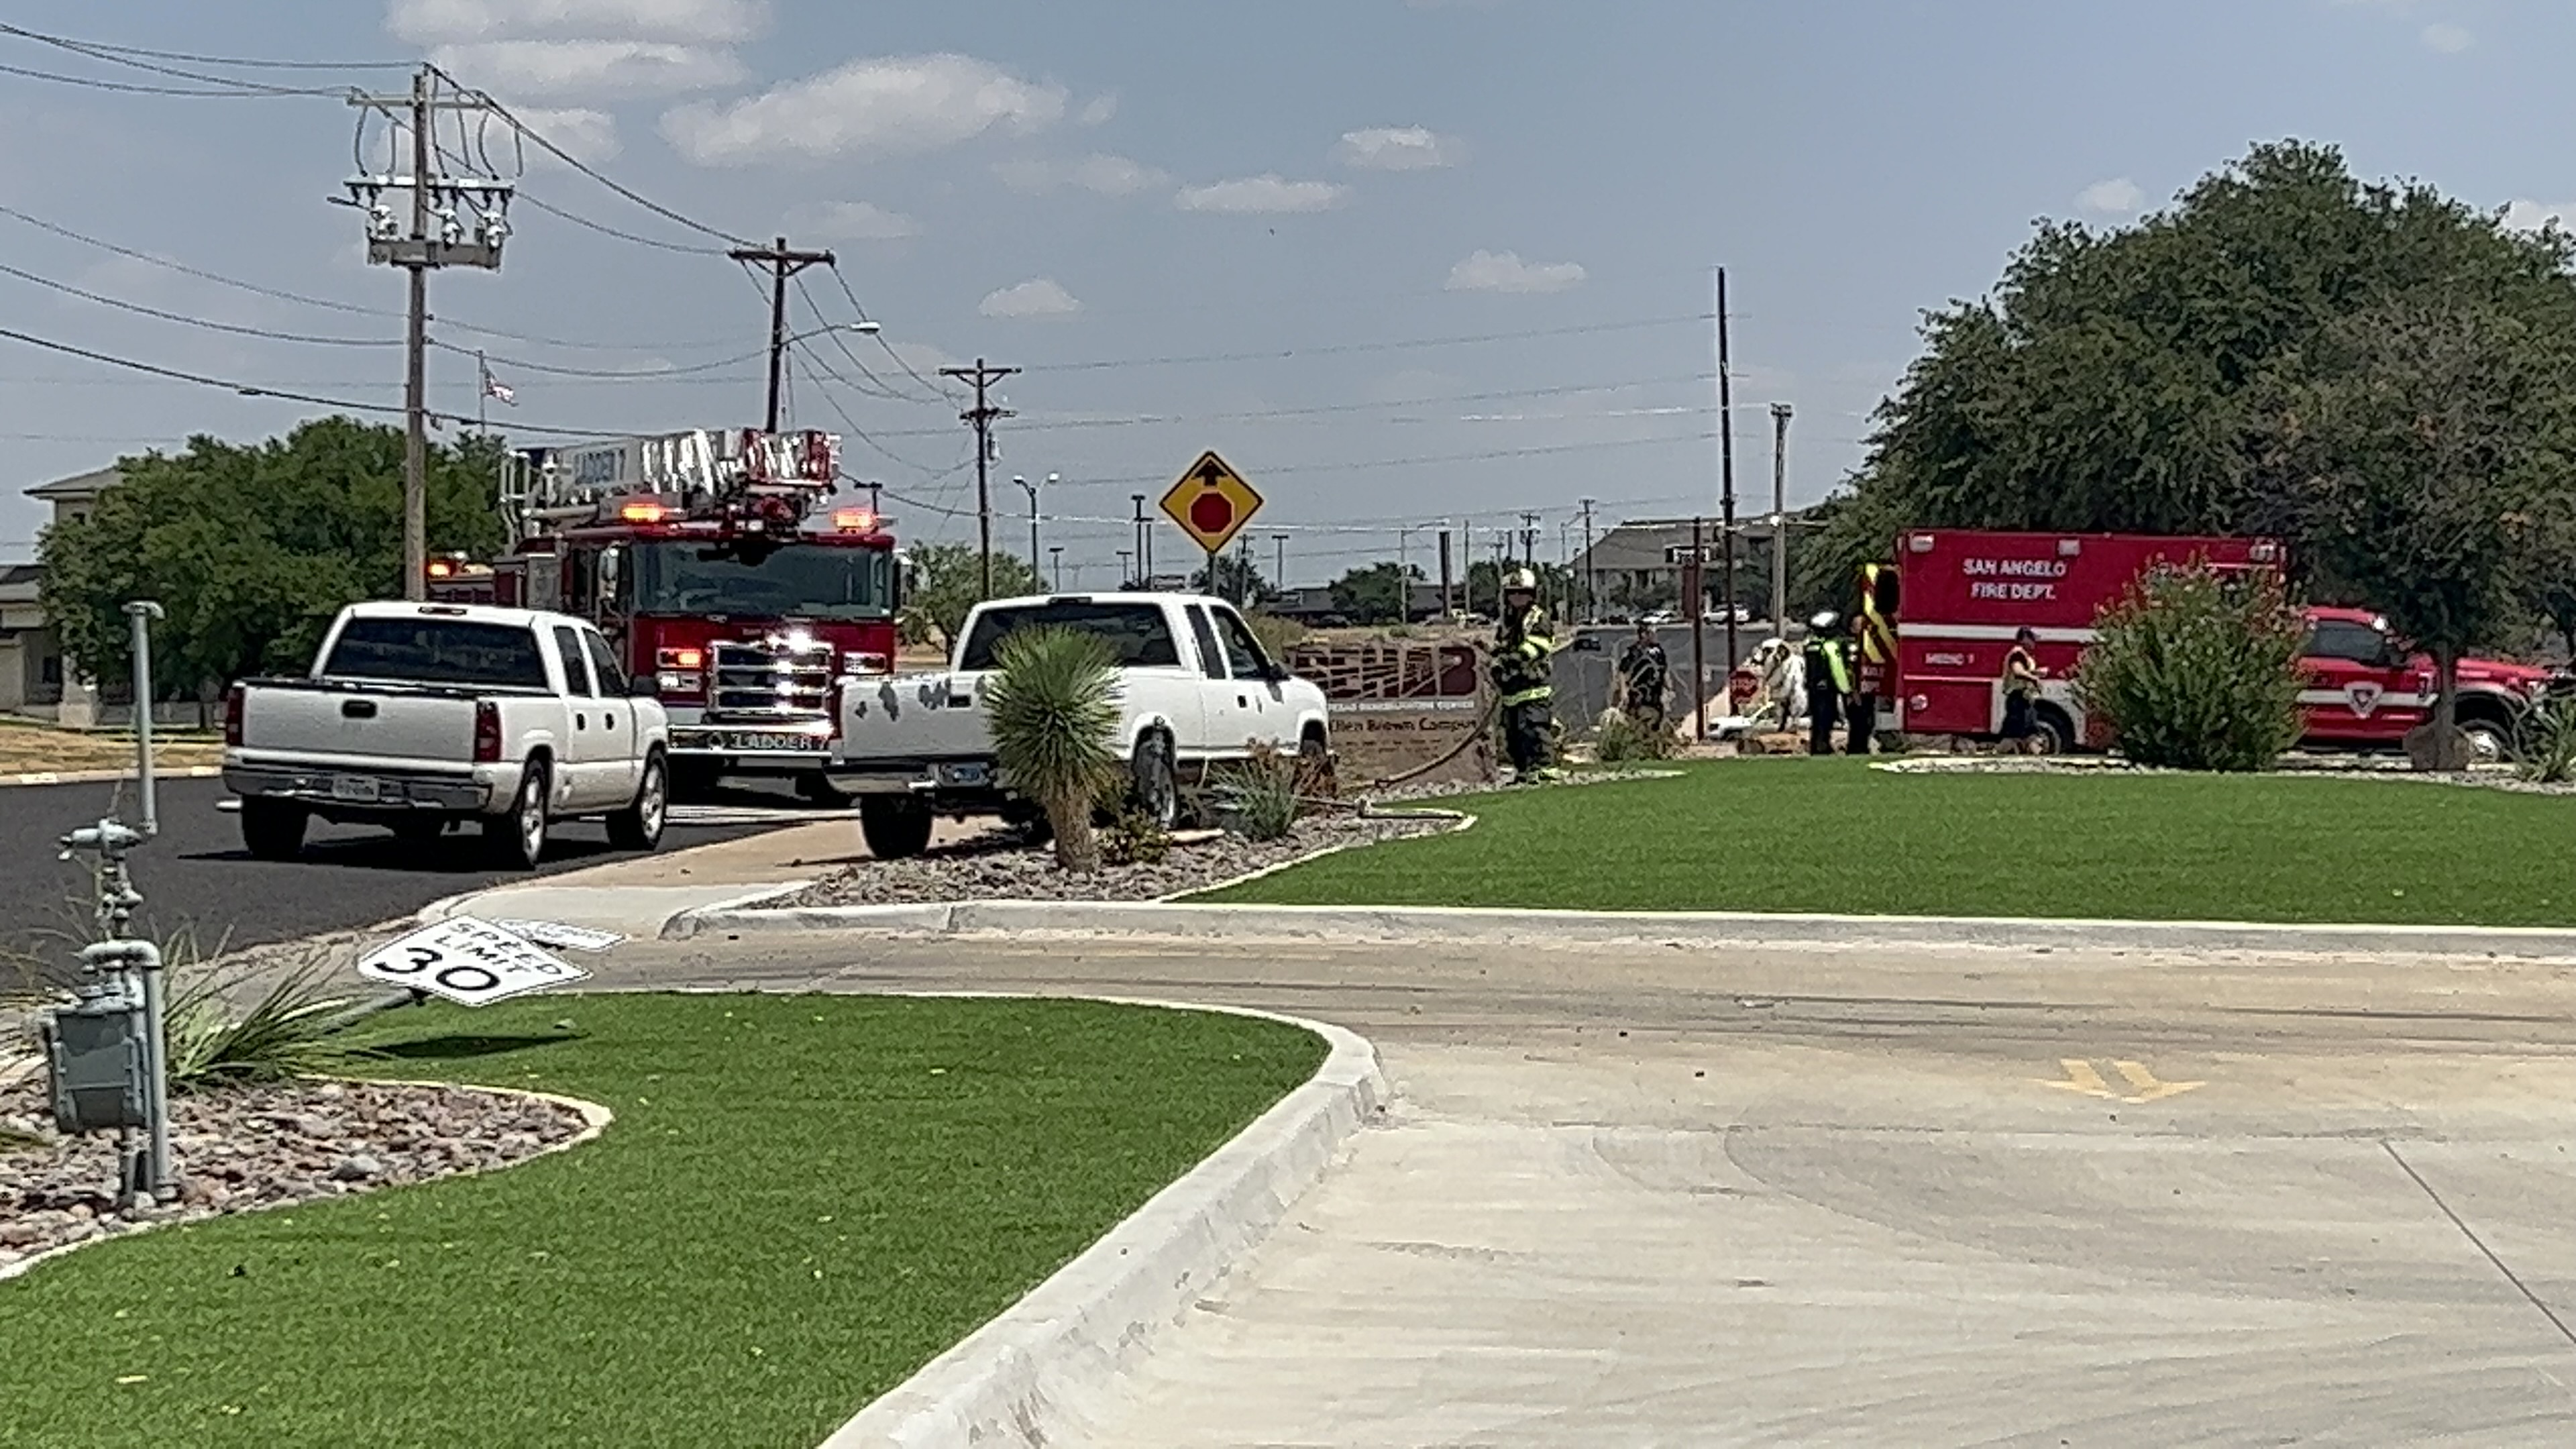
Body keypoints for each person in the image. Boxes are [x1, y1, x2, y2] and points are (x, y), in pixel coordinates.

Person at [1492, 569, 1562, 782]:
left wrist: (1510, 660)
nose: (1517, 597)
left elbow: (1537, 647)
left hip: (1533, 686)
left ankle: (1545, 770)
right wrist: (1495, 661)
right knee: (1513, 734)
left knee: (1535, 729)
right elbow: (1498, 646)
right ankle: (1523, 770)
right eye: (1513, 593)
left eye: (1522, 592)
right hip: (1511, 688)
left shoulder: (1539, 618)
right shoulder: (1507, 621)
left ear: (1532, 595)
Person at [1800, 610, 1850, 756]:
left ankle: (1818, 745)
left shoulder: (1811, 644)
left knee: (1818, 719)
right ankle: (1822, 746)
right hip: (1827, 688)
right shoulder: (1830, 646)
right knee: (1825, 717)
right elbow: (1837, 670)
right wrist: (1845, 689)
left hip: (1815, 688)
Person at [1615, 620, 1671, 736]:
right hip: (1639, 693)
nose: (1653, 635)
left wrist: (1669, 687)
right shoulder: (1633, 652)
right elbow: (1622, 671)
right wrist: (1624, 691)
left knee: (1657, 719)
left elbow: (1663, 669)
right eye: (1650, 632)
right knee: (1640, 721)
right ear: (1643, 634)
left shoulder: (1658, 651)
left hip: (1655, 693)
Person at [2000, 626, 2045, 754]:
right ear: (2025, 639)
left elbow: (2024, 671)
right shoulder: (2018, 654)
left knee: (2030, 731)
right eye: (2032, 639)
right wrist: (2034, 679)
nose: (2034, 643)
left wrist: (2037, 673)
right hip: (2017, 698)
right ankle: (1998, 754)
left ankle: (2037, 757)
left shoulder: (2024, 655)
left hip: (2025, 698)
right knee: (2014, 734)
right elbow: (2017, 671)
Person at [1845, 613, 1880, 755]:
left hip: (1868, 691)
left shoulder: (1869, 646)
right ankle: (1856, 749)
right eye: (1858, 626)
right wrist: (1853, 691)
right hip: (1856, 693)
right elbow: (1850, 671)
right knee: (1857, 723)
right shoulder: (1852, 647)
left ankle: (1863, 747)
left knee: (1867, 723)